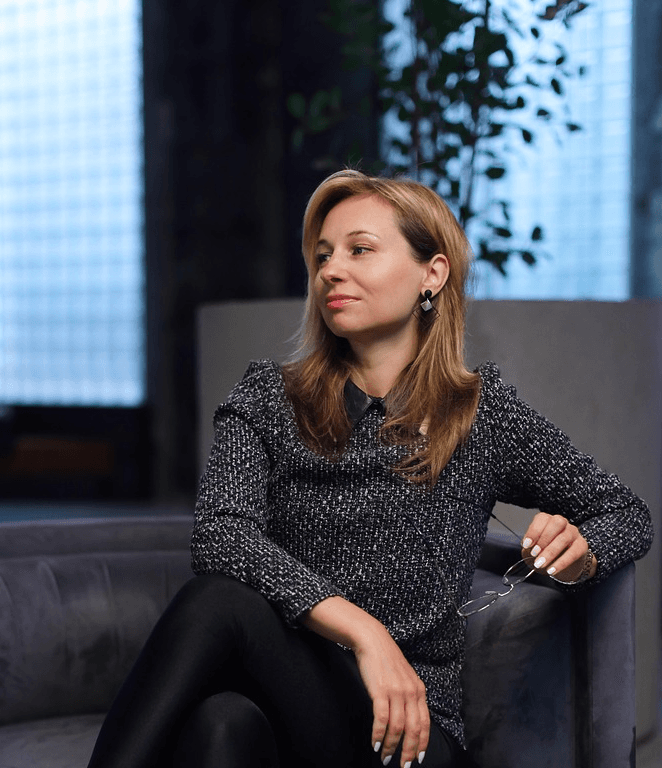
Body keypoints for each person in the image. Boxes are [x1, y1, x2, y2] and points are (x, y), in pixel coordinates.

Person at [87, 170, 653, 768]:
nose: (331, 269)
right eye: (323, 255)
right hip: (294, 709)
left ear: (430, 275)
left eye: (360, 249)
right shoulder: (268, 399)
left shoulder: (481, 416)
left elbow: (628, 513)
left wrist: (582, 547)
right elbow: (221, 537)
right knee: (220, 723)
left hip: (407, 733)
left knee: (217, 611)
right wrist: (365, 632)